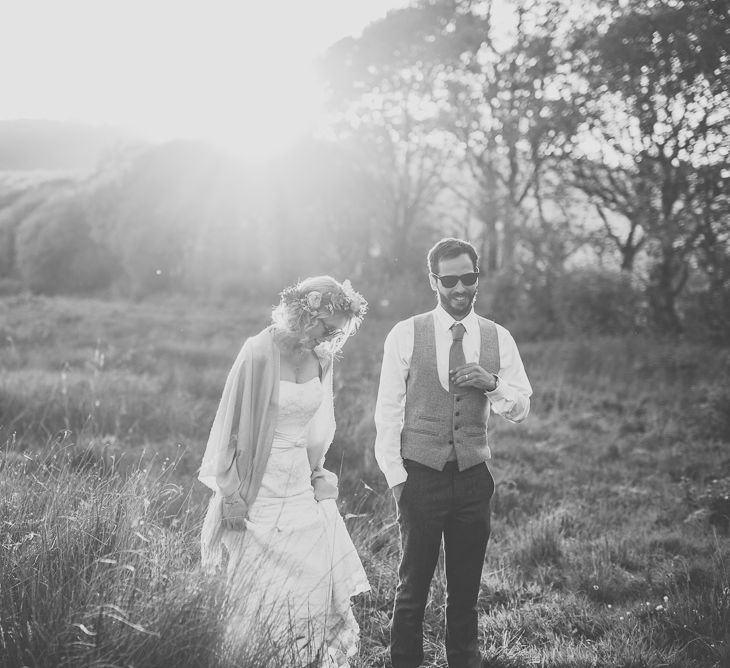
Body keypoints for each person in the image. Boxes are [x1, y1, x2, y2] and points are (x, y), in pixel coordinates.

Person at [374, 238, 532, 668]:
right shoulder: (406, 334)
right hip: (419, 477)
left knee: (466, 593)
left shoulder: (498, 337)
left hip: (473, 479)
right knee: (412, 591)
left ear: (477, 276)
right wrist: (397, 479)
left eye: (469, 277)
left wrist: (492, 383)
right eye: (450, 280)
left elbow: (521, 406)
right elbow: (388, 412)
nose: (460, 288)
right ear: (434, 281)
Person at [199, 276, 370, 668]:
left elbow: (319, 428)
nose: (328, 339)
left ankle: (303, 658)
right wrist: (232, 493)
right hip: (256, 485)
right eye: (326, 328)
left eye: (336, 333)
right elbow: (228, 430)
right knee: (258, 593)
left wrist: (317, 474)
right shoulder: (257, 353)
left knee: (310, 584)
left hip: (299, 485)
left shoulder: (322, 360)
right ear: (303, 311)